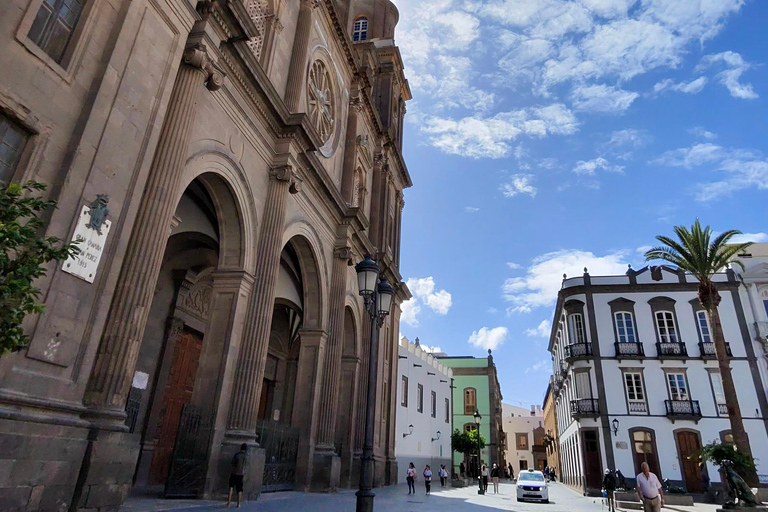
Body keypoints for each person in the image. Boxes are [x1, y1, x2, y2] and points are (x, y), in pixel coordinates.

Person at [227, 443, 248, 508]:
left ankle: (228, 502)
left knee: (231, 487)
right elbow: (246, 465)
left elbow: (232, 463)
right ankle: (238, 504)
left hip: (234, 473)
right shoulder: (246, 456)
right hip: (241, 474)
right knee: (239, 489)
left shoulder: (237, 455)